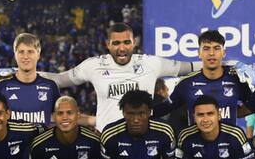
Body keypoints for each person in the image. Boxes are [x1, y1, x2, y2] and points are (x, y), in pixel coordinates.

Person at [38, 23, 201, 132]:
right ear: (107, 44)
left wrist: (217, 61)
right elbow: (60, 79)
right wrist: (27, 73)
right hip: (106, 143)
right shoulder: (93, 65)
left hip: (143, 141)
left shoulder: (151, 63)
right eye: (116, 43)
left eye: (126, 42)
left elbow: (189, 67)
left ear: (134, 42)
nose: (122, 48)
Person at [153, 30, 252, 126]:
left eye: (216, 48)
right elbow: (163, 109)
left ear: (224, 53)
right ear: (199, 53)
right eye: (206, 48)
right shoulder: (187, 83)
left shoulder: (236, 79)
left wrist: (234, 113)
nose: (211, 53)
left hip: (230, 137)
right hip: (196, 138)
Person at [28, 96, 102, 159]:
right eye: (60, 113)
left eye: (69, 113)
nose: (65, 117)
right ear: (54, 116)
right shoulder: (40, 143)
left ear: (78, 115)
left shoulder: (93, 141)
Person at [101, 90, 176, 159]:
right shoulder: (110, 134)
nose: (136, 120)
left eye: (141, 114)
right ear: (123, 113)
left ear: (149, 112)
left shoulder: (164, 131)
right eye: (130, 114)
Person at [175, 95, 254, 159]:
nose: (205, 120)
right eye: (200, 115)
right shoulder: (185, 137)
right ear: (194, 117)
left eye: (210, 114)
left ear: (219, 115)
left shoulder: (235, 135)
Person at [0, 33, 60, 125]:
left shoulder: (50, 87)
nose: (25, 57)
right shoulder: (1, 88)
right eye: (21, 52)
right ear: (15, 55)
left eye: (30, 52)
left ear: (38, 55)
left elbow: (60, 119)